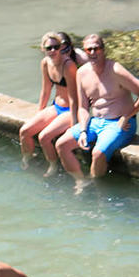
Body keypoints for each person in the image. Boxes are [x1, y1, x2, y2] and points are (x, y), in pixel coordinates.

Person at [55, 33, 139, 179]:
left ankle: (95, 187)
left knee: (97, 153)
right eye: (89, 50)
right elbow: (83, 107)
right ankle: (80, 181)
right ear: (85, 51)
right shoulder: (81, 73)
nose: (93, 53)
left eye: (97, 48)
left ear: (103, 49)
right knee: (61, 144)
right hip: (95, 122)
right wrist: (82, 130)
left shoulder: (115, 70)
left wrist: (127, 116)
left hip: (120, 123)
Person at [19, 32, 86, 174]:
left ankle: (53, 165)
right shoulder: (45, 63)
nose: (53, 51)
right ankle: (28, 157)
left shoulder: (68, 65)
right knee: (24, 131)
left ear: (61, 47)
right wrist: (39, 112)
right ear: (43, 49)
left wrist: (74, 124)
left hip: (70, 110)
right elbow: (46, 90)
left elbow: (74, 98)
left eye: (56, 47)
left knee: (44, 137)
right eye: (49, 48)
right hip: (56, 107)